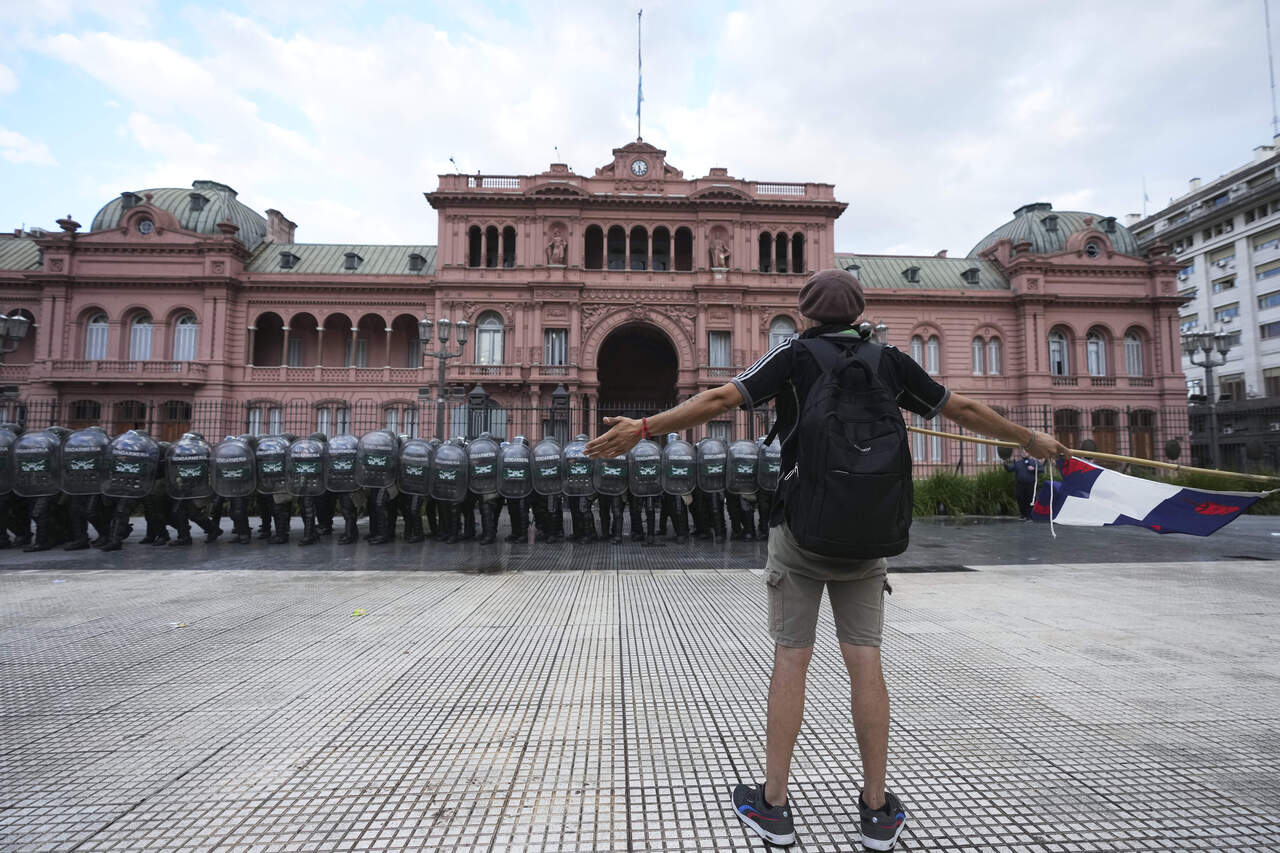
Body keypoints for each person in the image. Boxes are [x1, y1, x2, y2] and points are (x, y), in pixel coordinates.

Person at [586, 268, 1066, 851]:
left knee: (793, 658)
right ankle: (876, 810)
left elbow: (718, 399)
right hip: (869, 534)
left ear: (806, 313)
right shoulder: (887, 361)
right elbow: (959, 406)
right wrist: (1029, 438)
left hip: (802, 531)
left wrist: (644, 427)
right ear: (860, 312)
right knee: (865, 663)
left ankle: (774, 805)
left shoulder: (793, 356)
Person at [1004, 451, 1042, 521]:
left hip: (1031, 484)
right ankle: (1023, 515)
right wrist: (1005, 464)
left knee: (1030, 500)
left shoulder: (1034, 462)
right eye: (1023, 452)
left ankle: (1029, 516)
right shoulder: (1018, 463)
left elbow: (1042, 470)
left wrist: (1034, 469)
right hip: (1020, 485)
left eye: (1026, 452)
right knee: (1020, 499)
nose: (1024, 453)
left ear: (1029, 453)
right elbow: (1010, 469)